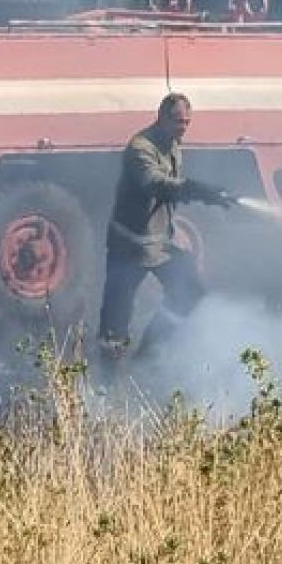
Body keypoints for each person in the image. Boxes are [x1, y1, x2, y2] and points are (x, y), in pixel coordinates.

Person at [98, 93, 234, 363]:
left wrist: (201, 202)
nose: (182, 128)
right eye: (177, 121)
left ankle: (148, 354)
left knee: (191, 293)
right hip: (129, 247)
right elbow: (155, 184)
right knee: (115, 323)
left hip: (160, 244)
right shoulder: (140, 148)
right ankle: (107, 384)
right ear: (161, 118)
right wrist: (196, 190)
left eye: (186, 122)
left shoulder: (172, 143)